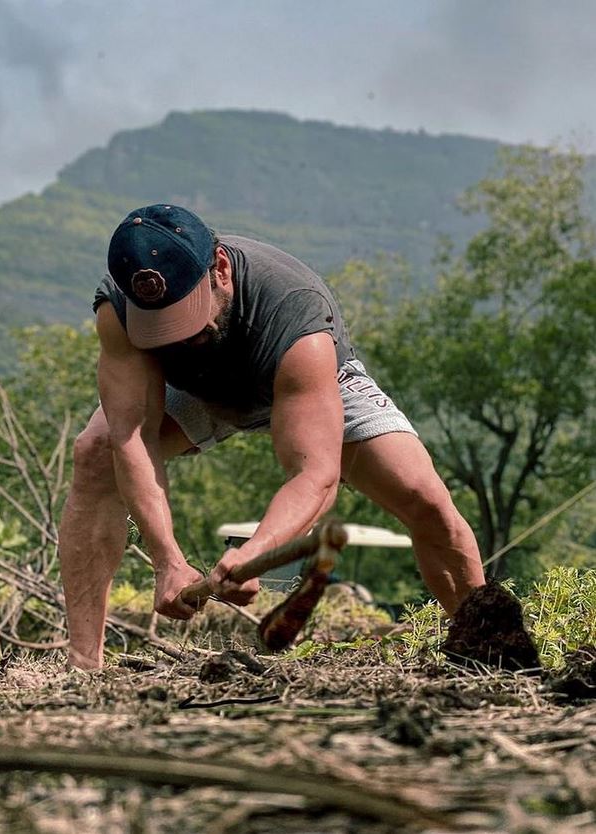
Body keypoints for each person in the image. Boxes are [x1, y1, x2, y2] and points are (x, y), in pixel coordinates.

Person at [59, 204, 485, 670]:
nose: (178, 337)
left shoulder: (294, 308)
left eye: (187, 316)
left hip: (308, 382)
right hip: (194, 389)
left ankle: (485, 646)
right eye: (159, 327)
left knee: (426, 499)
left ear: (219, 268)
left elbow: (315, 473)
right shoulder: (118, 309)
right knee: (96, 453)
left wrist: (257, 552)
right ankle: (84, 666)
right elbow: (132, 437)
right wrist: (167, 560)